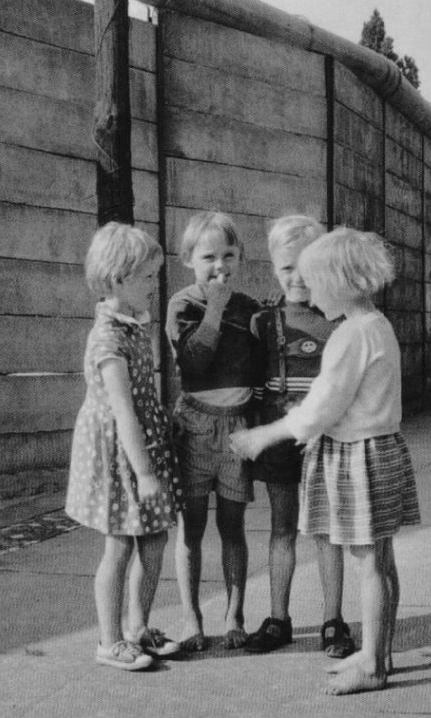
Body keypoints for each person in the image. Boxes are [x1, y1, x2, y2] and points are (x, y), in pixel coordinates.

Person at [230, 227, 421, 695]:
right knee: (381, 561)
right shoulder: (376, 325)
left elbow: (321, 409)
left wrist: (264, 435)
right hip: (380, 449)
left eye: (315, 281)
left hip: (357, 456)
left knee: (369, 564)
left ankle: (372, 666)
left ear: (340, 283)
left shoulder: (349, 335)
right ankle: (380, 651)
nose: (309, 291)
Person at [66, 222, 182, 671]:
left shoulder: (134, 325)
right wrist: (147, 472)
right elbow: (123, 412)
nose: (155, 285)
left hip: (144, 446)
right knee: (119, 546)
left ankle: (138, 629)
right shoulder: (108, 338)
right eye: (148, 278)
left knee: (153, 541)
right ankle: (109, 639)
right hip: (119, 455)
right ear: (119, 279)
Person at [241, 216, 355, 659]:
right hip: (281, 441)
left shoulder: (339, 319)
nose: (298, 277)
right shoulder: (264, 322)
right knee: (282, 528)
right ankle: (277, 618)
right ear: (273, 268)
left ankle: (333, 620)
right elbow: (251, 384)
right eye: (287, 268)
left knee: (326, 531)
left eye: (306, 266)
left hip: (325, 440)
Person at [165, 210, 262, 651]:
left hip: (237, 427)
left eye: (229, 254)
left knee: (233, 525)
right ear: (188, 259)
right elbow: (193, 362)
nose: (219, 265)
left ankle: (235, 612)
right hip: (197, 426)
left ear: (241, 257)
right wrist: (216, 310)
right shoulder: (183, 304)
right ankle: (191, 615)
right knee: (191, 527)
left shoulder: (250, 309)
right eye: (208, 256)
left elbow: (260, 368)